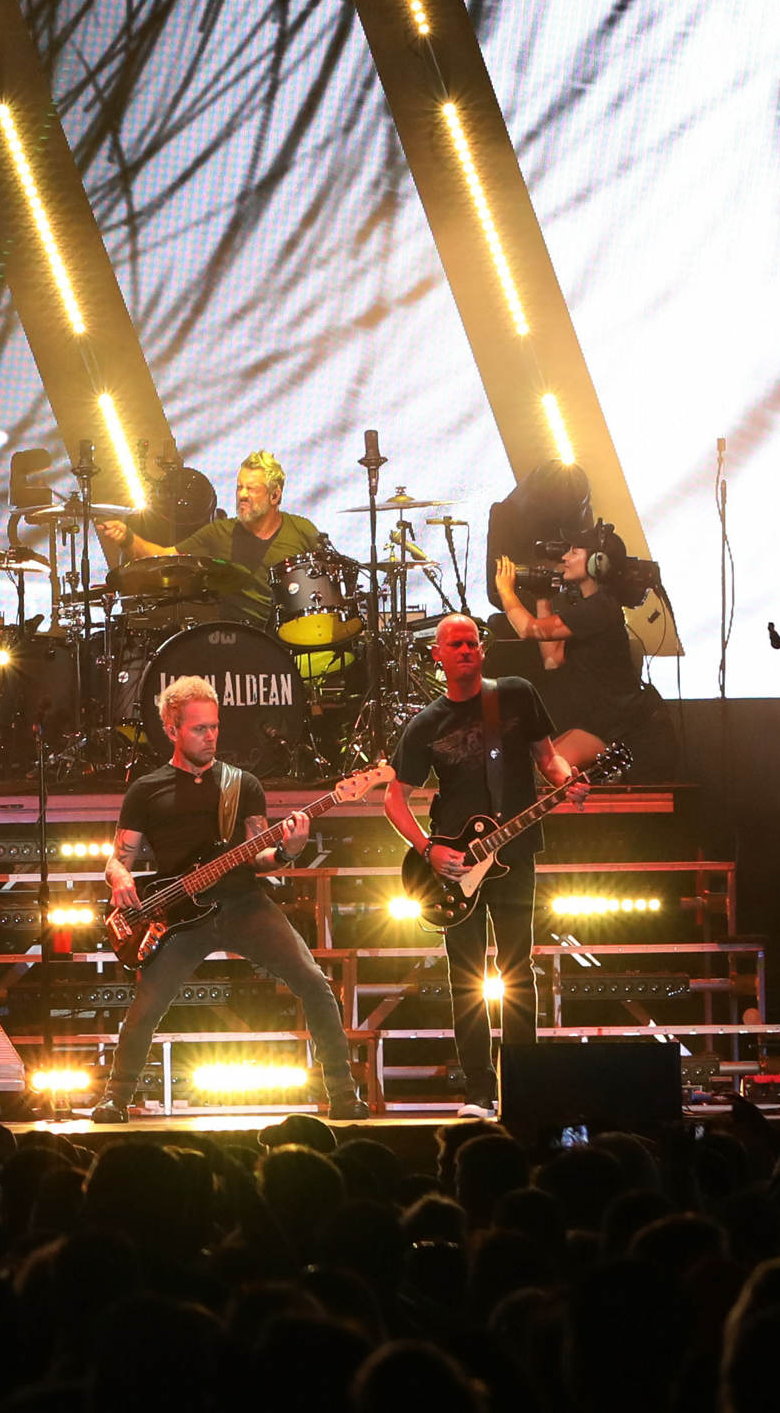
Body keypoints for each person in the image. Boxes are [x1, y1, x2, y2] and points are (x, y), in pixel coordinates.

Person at [93, 676, 357, 1122]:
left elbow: (260, 857)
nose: (211, 736)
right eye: (199, 729)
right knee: (147, 1007)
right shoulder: (146, 790)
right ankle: (116, 1098)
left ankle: (344, 1094)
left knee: (312, 981)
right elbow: (119, 858)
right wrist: (118, 876)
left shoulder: (242, 784)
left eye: (215, 726)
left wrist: (289, 850)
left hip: (242, 903)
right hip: (176, 915)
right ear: (171, 728)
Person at [382, 611, 576, 1118]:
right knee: (465, 976)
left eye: (473, 643)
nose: (466, 651)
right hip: (453, 868)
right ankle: (478, 1092)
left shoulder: (515, 694)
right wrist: (429, 849)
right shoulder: (425, 724)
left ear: (482, 651)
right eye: (456, 645)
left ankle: (523, 1084)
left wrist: (566, 780)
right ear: (438, 656)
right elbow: (394, 800)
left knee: (518, 970)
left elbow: (548, 759)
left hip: (515, 852)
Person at [486, 461, 659, 769]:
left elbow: (529, 631)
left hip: (619, 729)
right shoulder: (588, 608)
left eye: (575, 553)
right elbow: (552, 659)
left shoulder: (600, 608)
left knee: (548, 773)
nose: (565, 557)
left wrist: (506, 590)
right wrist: (543, 597)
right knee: (535, 766)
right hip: (594, 721)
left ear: (598, 564)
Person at [105, 452, 327, 628]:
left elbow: (328, 581)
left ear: (275, 495)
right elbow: (166, 558)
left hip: (294, 635)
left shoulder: (302, 529)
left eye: (251, 489)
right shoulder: (218, 532)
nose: (242, 495)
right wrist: (128, 538)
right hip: (240, 639)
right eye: (240, 487)